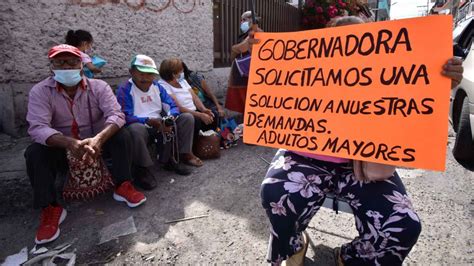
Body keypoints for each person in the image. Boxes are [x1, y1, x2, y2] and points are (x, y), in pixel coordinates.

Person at [259, 16, 465, 266]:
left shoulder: (388, 76)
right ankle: (293, 245)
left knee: (404, 225)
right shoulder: (306, 71)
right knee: (273, 192)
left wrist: (440, 81)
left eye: (360, 39)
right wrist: (261, 54)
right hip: (304, 156)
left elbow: (415, 100)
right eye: (343, 40)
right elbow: (272, 85)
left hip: (365, 163)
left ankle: (351, 258)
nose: (352, 46)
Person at [25, 44, 146, 245]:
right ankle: (50, 208)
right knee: (35, 152)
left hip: (96, 143)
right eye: (60, 62)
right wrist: (68, 142)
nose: (66, 66)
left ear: (81, 65)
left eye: (72, 62)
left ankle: (123, 185)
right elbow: (37, 127)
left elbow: (116, 115)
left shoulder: (99, 87)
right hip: (62, 147)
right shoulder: (40, 91)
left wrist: (99, 139)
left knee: (122, 135)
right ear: (51, 67)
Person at [116, 55, 194, 184]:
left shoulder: (157, 87)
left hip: (159, 121)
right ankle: (143, 169)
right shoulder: (125, 89)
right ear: (131, 72)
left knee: (186, 118)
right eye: (141, 74)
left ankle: (175, 158)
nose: (146, 78)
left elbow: (172, 105)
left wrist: (169, 118)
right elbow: (125, 115)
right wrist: (147, 121)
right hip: (140, 124)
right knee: (135, 129)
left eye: (150, 74)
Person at [158, 58, 217, 166]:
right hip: (178, 114)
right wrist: (200, 114)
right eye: (180, 71)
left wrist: (204, 109)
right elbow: (177, 107)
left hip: (192, 111)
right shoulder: (163, 85)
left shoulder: (182, 81)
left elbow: (194, 97)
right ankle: (187, 153)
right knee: (195, 119)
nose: (182, 73)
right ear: (173, 73)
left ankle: (203, 146)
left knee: (213, 114)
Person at [224, 11, 262, 115]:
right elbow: (236, 51)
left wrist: (235, 48)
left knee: (248, 102)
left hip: (248, 75)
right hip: (240, 75)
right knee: (242, 103)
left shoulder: (257, 33)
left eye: (244, 20)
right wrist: (236, 49)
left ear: (251, 20)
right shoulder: (245, 35)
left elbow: (241, 48)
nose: (241, 22)